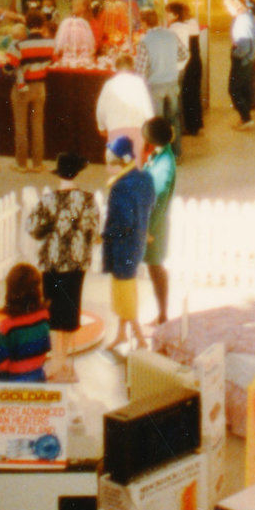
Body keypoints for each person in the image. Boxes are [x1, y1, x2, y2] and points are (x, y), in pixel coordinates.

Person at [28, 154, 101, 383]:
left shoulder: (48, 200)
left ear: (58, 174)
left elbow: (33, 229)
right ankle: (64, 358)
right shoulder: (87, 200)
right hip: (76, 263)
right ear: (78, 173)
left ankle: (55, 358)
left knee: (51, 310)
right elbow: (94, 233)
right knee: (70, 310)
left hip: (51, 261)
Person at [100, 132, 154, 355]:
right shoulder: (145, 178)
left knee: (123, 292)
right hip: (137, 242)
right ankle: (122, 333)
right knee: (127, 288)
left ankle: (139, 337)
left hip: (123, 246)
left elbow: (123, 221)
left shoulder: (121, 187)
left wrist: (103, 235)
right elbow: (148, 205)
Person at [0, 261, 54, 378]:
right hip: (38, 382)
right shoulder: (44, 316)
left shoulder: (8, 326)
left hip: (12, 389)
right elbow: (46, 349)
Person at [140, 118, 177, 323]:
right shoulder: (161, 154)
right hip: (152, 223)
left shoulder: (163, 168)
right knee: (154, 267)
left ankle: (162, 314)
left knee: (155, 267)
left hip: (155, 226)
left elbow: (160, 200)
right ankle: (161, 312)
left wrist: (149, 230)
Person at [137, 7, 182, 135]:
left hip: (155, 84)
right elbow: (183, 54)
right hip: (172, 82)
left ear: (145, 22)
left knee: (158, 122)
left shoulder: (144, 40)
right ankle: (177, 152)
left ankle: (162, 151)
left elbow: (141, 70)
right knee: (173, 118)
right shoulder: (171, 35)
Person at [96, 50, 154, 148]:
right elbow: (147, 109)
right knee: (137, 160)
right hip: (136, 132)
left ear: (116, 68)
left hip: (115, 132)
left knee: (114, 160)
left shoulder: (109, 84)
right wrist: (151, 129)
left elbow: (100, 110)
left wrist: (101, 127)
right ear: (132, 68)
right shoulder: (138, 83)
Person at [225, 0, 255, 130]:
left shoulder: (241, 21)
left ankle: (246, 118)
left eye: (228, 6)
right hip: (249, 58)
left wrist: (235, 53)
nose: (226, 9)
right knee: (246, 85)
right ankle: (246, 114)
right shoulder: (248, 16)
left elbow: (244, 45)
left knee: (234, 89)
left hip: (242, 60)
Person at [170, 2, 204, 140]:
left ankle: (190, 126)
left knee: (187, 95)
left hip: (187, 63)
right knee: (194, 93)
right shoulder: (192, 23)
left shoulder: (178, 27)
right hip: (196, 61)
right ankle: (196, 124)